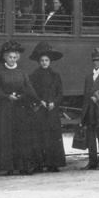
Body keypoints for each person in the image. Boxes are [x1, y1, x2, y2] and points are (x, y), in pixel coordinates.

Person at [0, 40, 43, 175]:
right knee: (7, 138)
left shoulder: (22, 72)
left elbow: (29, 89)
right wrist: (7, 96)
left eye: (15, 57)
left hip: (21, 109)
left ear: (18, 58)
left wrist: (35, 100)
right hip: (6, 110)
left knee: (22, 138)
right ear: (5, 57)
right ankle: (9, 168)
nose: (12, 59)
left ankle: (23, 167)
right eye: (10, 57)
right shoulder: (0, 73)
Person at [28, 42, 66, 172]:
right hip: (40, 111)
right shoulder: (33, 76)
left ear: (50, 61)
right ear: (39, 62)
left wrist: (54, 103)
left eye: (46, 60)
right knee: (39, 137)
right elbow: (31, 92)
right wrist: (40, 102)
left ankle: (53, 163)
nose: (44, 62)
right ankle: (39, 164)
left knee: (52, 137)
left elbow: (60, 93)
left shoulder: (56, 76)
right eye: (42, 60)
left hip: (52, 111)